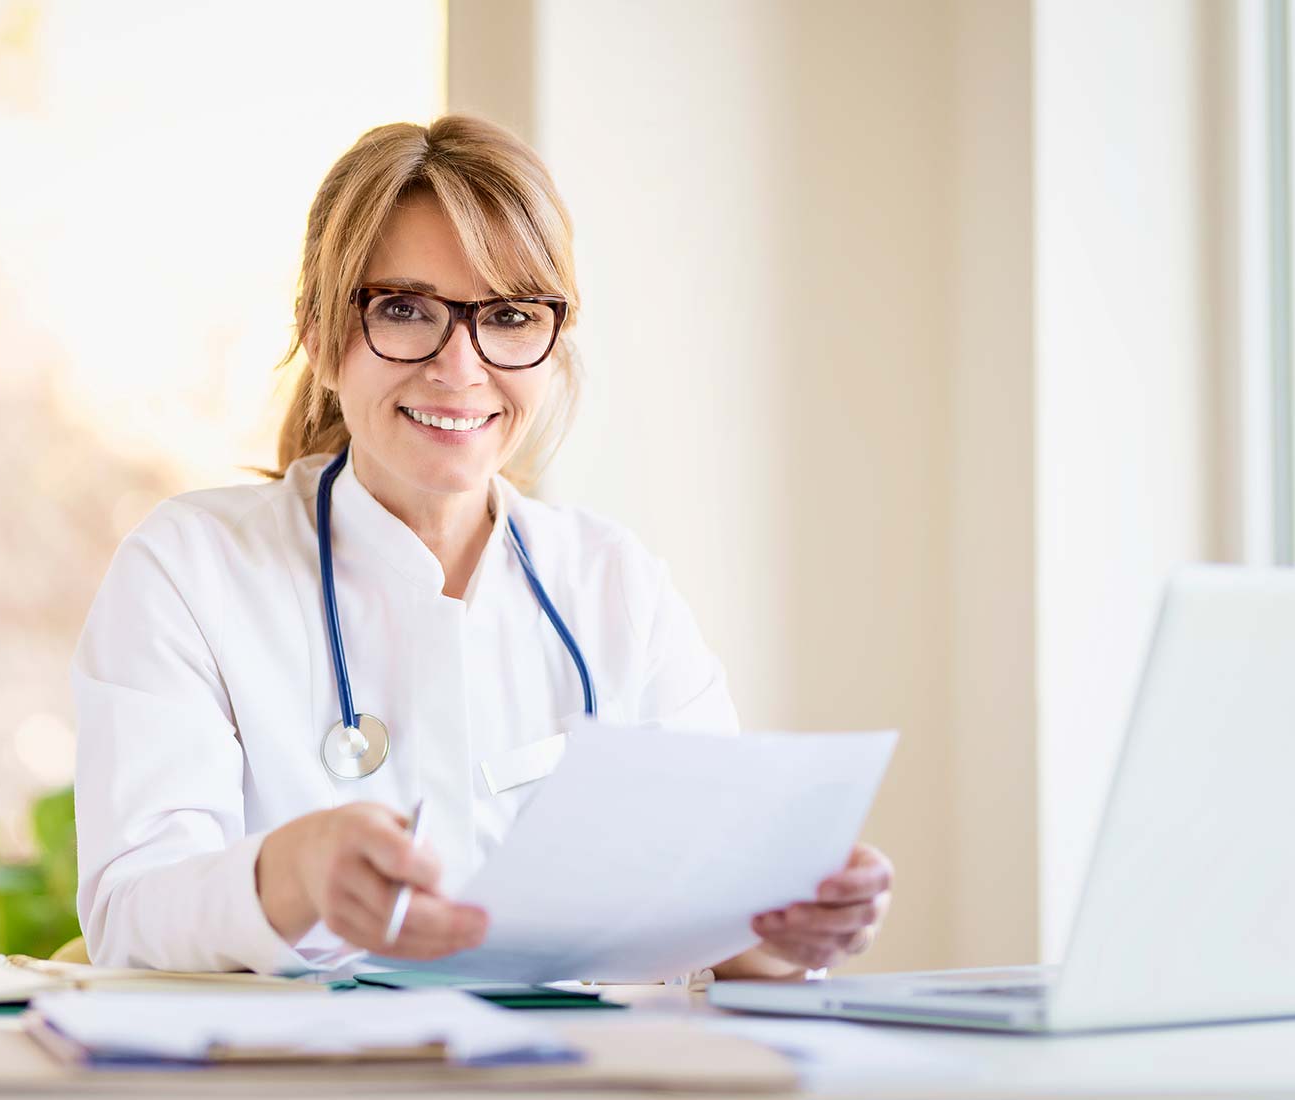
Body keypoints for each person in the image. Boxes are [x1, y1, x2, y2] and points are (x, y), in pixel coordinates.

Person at [71, 115, 892, 980]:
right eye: (403, 308)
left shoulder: (616, 586)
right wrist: (295, 874)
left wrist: (777, 931)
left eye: (506, 316)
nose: (460, 367)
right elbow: (131, 915)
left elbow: (705, 914)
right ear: (318, 334)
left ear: (550, 342)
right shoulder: (190, 569)